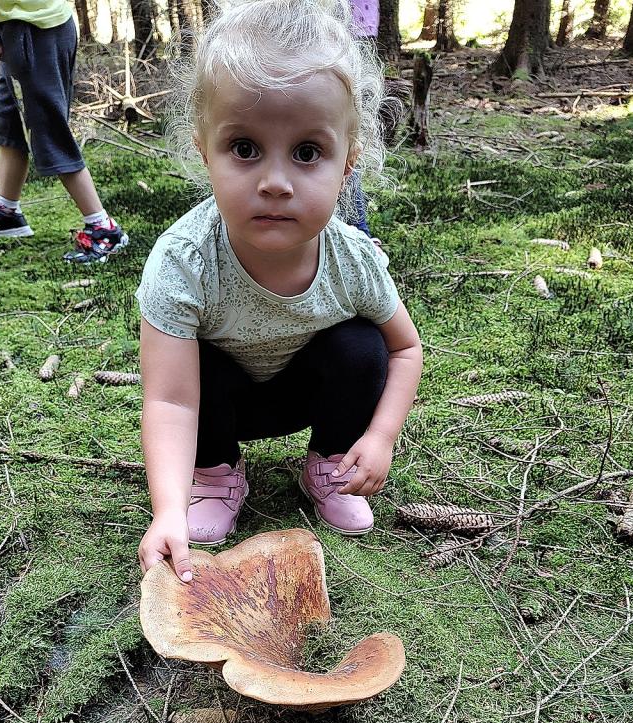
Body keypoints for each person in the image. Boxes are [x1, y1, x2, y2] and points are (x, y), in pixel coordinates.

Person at [136, 0, 423, 583]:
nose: (274, 182)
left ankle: (331, 464)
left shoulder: (352, 259)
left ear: (348, 164)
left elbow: (405, 348)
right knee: (199, 365)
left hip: (306, 393)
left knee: (360, 344)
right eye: (244, 148)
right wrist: (167, 509)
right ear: (204, 152)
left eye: (307, 152)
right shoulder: (183, 261)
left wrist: (380, 437)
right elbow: (170, 400)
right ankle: (213, 472)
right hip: (217, 404)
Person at [0, 0, 128, 262]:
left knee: (49, 129)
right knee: (8, 118)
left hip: (34, 31)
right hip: (28, 27)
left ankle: (104, 228)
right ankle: (6, 211)